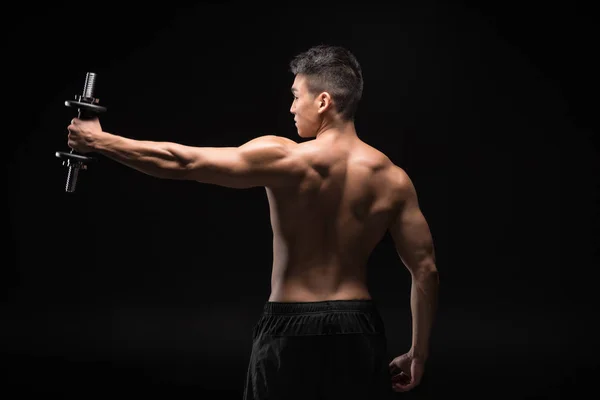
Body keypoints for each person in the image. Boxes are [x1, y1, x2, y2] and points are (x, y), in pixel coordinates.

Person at [66, 44, 439, 399]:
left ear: (323, 101)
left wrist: (99, 141)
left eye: (297, 95)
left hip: (289, 328)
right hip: (358, 330)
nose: (292, 107)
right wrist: (417, 354)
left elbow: (184, 163)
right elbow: (426, 272)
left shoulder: (286, 159)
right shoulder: (393, 178)